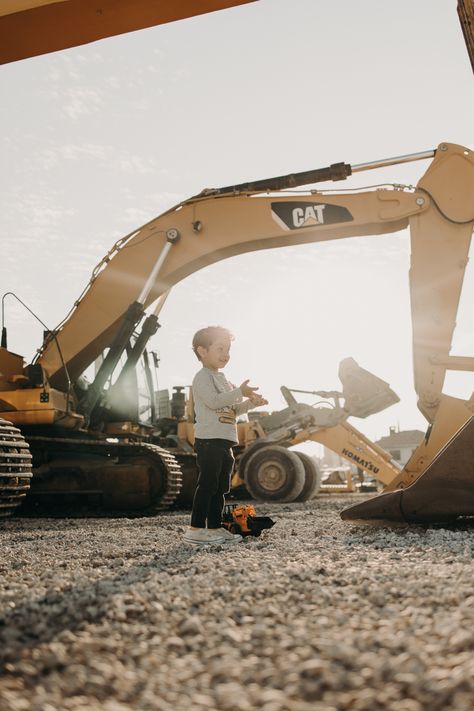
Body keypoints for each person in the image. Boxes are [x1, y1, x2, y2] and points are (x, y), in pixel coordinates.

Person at [183, 326, 267, 546]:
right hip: (208, 441)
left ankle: (214, 527)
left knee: (220, 489)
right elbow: (214, 401)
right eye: (220, 348)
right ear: (202, 351)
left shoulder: (224, 380)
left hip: (225, 442)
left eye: (228, 349)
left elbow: (233, 409)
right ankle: (195, 529)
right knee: (207, 485)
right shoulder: (202, 378)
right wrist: (240, 392)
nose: (226, 354)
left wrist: (250, 403)